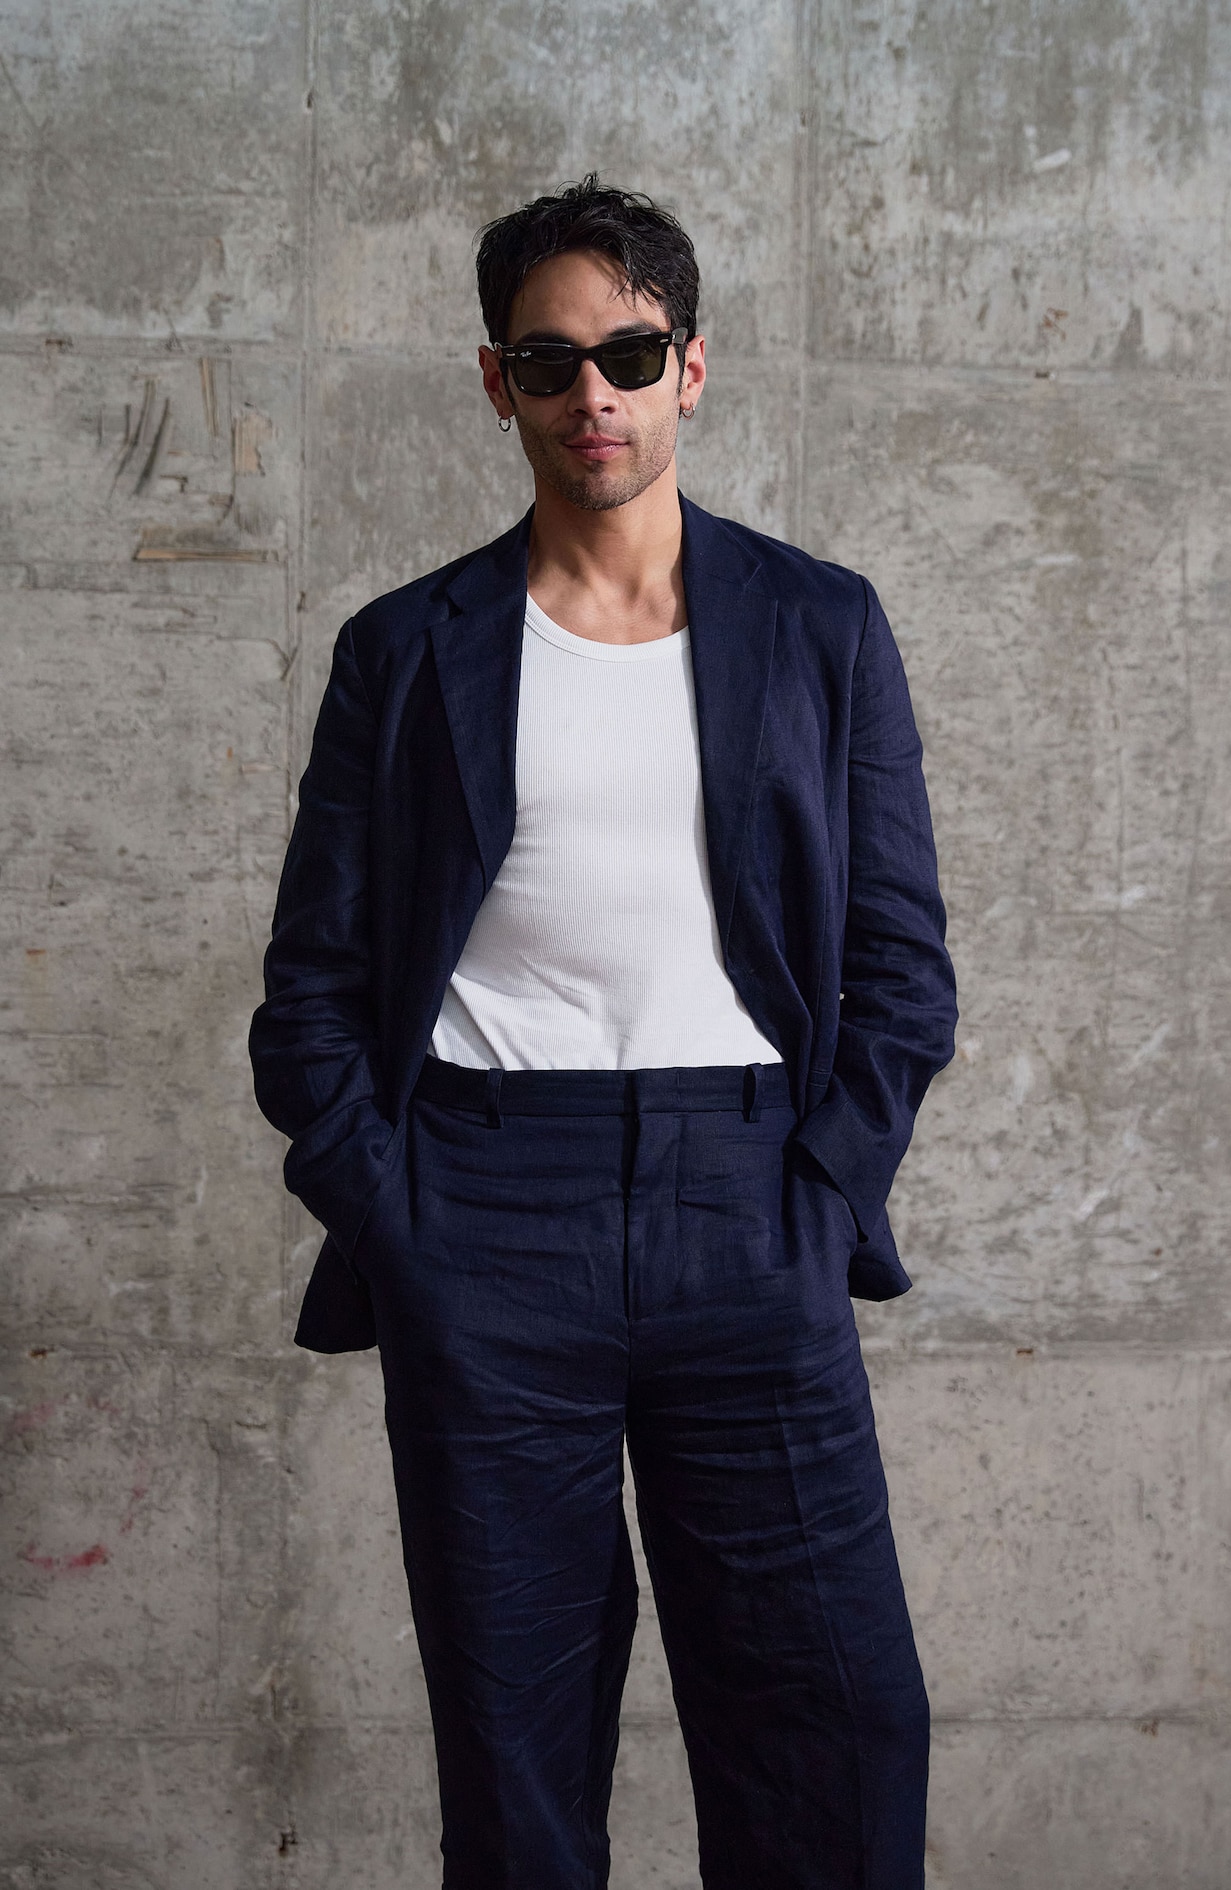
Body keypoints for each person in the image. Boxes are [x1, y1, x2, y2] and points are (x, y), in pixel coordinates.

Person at [249, 174, 956, 1890]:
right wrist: (397, 1214)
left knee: (836, 1731)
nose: (596, 398)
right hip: (486, 1214)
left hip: (750, 1195)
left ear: (691, 366)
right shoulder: (406, 651)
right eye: (550, 361)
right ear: (495, 380)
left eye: (630, 353)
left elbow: (899, 962)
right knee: (520, 1753)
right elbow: (312, 987)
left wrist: (821, 1183)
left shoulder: (817, 623)